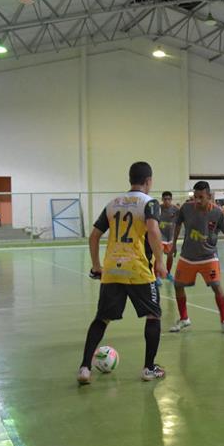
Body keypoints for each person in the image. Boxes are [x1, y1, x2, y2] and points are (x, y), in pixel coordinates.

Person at [78, 162, 166, 385]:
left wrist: (97, 266)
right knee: (153, 315)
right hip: (137, 269)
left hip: (112, 270)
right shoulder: (149, 203)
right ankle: (148, 368)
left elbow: (94, 236)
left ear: (130, 179)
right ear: (149, 181)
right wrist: (161, 262)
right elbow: (153, 231)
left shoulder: (112, 204)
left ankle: (85, 368)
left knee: (102, 319)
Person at [169, 181, 224, 335]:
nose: (197, 200)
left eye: (201, 197)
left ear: (209, 196)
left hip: (209, 256)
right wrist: (173, 244)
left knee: (216, 285)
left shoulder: (217, 212)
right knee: (178, 285)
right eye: (195, 197)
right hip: (188, 256)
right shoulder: (186, 208)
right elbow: (178, 224)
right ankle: (184, 318)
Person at [158, 191, 179, 281]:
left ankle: (168, 273)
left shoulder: (176, 210)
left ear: (171, 200)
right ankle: (157, 276)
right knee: (158, 256)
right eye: (165, 199)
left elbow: (179, 223)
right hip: (160, 236)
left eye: (168, 199)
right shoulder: (158, 209)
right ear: (162, 199)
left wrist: (175, 240)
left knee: (170, 256)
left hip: (170, 237)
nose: (167, 201)